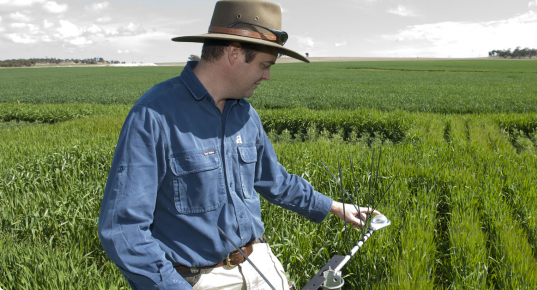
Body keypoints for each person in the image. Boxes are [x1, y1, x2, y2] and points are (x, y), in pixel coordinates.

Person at [97, 1, 377, 289]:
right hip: (198, 279)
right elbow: (123, 230)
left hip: (258, 262)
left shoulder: (245, 115)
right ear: (233, 53)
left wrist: (333, 206)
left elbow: (274, 180)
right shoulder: (154, 116)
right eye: (264, 65)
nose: (267, 76)